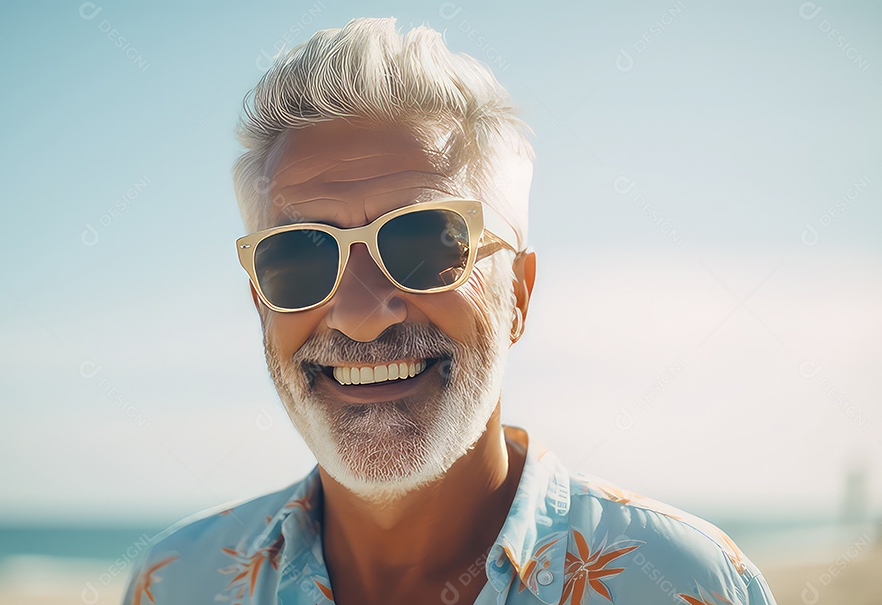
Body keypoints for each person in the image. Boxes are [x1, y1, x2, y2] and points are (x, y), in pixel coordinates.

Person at [122, 17, 777, 605]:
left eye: (424, 241)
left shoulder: (693, 587)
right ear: (261, 304)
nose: (359, 315)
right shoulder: (175, 581)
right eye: (299, 257)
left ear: (516, 295)